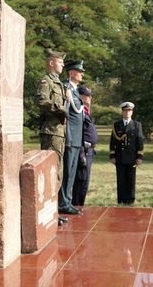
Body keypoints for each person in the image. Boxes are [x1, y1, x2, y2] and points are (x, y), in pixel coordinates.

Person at [35, 48, 68, 225]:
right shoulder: (46, 81)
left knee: (58, 172)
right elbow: (41, 100)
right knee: (51, 172)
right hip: (50, 131)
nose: (62, 64)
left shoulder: (58, 82)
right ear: (51, 63)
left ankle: (53, 211)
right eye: (60, 61)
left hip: (58, 132)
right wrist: (60, 108)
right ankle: (48, 212)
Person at [58, 60, 85, 215]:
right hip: (70, 137)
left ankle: (67, 201)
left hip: (76, 137)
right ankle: (63, 203)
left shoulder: (74, 90)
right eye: (79, 71)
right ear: (72, 73)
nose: (81, 74)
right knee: (67, 172)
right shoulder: (66, 88)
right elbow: (66, 116)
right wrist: (67, 137)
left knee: (72, 173)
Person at [110, 102, 144, 205]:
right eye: (125, 110)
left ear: (132, 112)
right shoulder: (117, 124)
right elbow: (113, 141)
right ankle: (121, 200)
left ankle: (130, 200)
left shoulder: (137, 125)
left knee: (131, 180)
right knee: (120, 179)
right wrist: (112, 155)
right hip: (120, 156)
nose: (127, 112)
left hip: (132, 157)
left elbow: (140, 141)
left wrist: (139, 156)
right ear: (122, 112)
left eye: (129, 110)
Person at [72, 85, 98, 207]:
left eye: (90, 96)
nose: (89, 98)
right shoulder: (79, 111)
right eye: (87, 96)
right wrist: (82, 151)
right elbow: (79, 133)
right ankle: (76, 205)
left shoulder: (86, 110)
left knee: (85, 181)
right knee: (81, 180)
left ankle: (80, 205)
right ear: (81, 96)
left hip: (90, 151)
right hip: (84, 150)